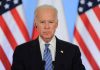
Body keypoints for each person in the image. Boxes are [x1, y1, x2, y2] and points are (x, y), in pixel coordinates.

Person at [11, 5, 85, 70]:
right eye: (42, 22)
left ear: (56, 24)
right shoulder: (21, 51)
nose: (47, 27)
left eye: (51, 22)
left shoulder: (72, 51)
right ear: (35, 23)